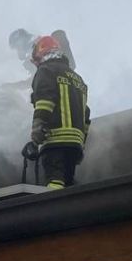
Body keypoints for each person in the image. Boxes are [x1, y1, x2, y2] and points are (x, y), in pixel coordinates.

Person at [28, 34, 90, 190]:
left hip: (55, 141)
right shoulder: (78, 79)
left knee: (54, 181)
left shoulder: (46, 70)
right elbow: (86, 114)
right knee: (68, 183)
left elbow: (44, 101)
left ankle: (54, 211)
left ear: (40, 54)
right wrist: (82, 141)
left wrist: (37, 130)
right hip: (75, 144)